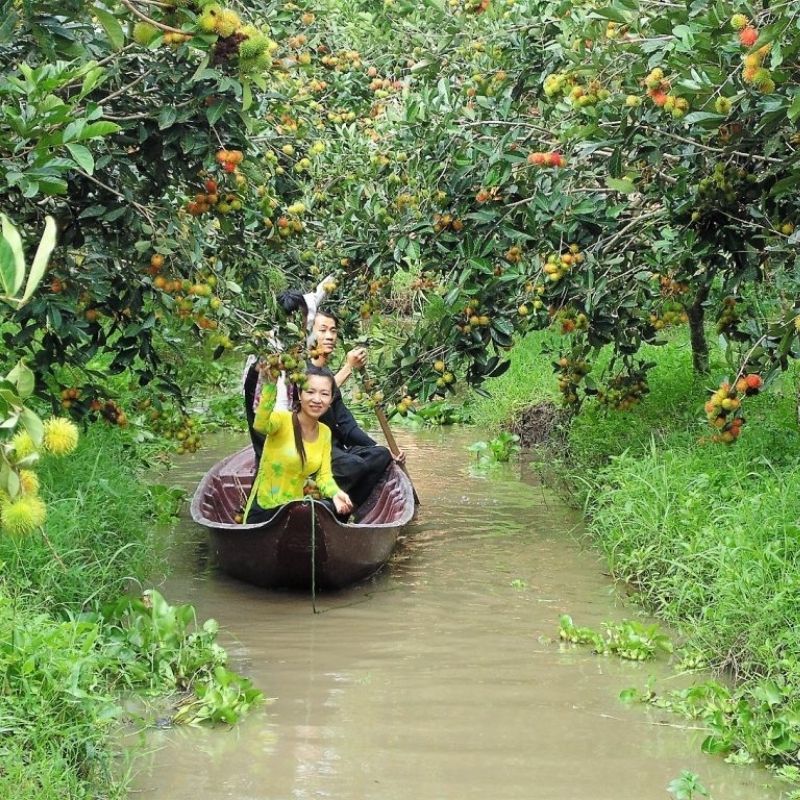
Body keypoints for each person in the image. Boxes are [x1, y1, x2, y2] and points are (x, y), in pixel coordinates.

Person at [308, 308, 405, 507]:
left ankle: (349, 507)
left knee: (380, 455)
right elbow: (314, 400)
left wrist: (377, 448)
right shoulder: (300, 372)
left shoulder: (325, 372)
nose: (329, 336)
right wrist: (348, 368)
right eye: (323, 330)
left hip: (332, 451)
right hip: (308, 451)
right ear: (309, 334)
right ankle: (320, 499)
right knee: (353, 465)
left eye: (333, 331)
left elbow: (346, 425)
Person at [243, 365, 353, 524]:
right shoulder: (282, 420)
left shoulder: (325, 432)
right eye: (310, 392)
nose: (317, 399)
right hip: (265, 510)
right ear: (300, 394)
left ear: (330, 400)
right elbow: (260, 424)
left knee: (329, 508)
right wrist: (270, 385)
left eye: (324, 394)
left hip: (293, 512)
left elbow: (324, 477)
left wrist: (336, 493)